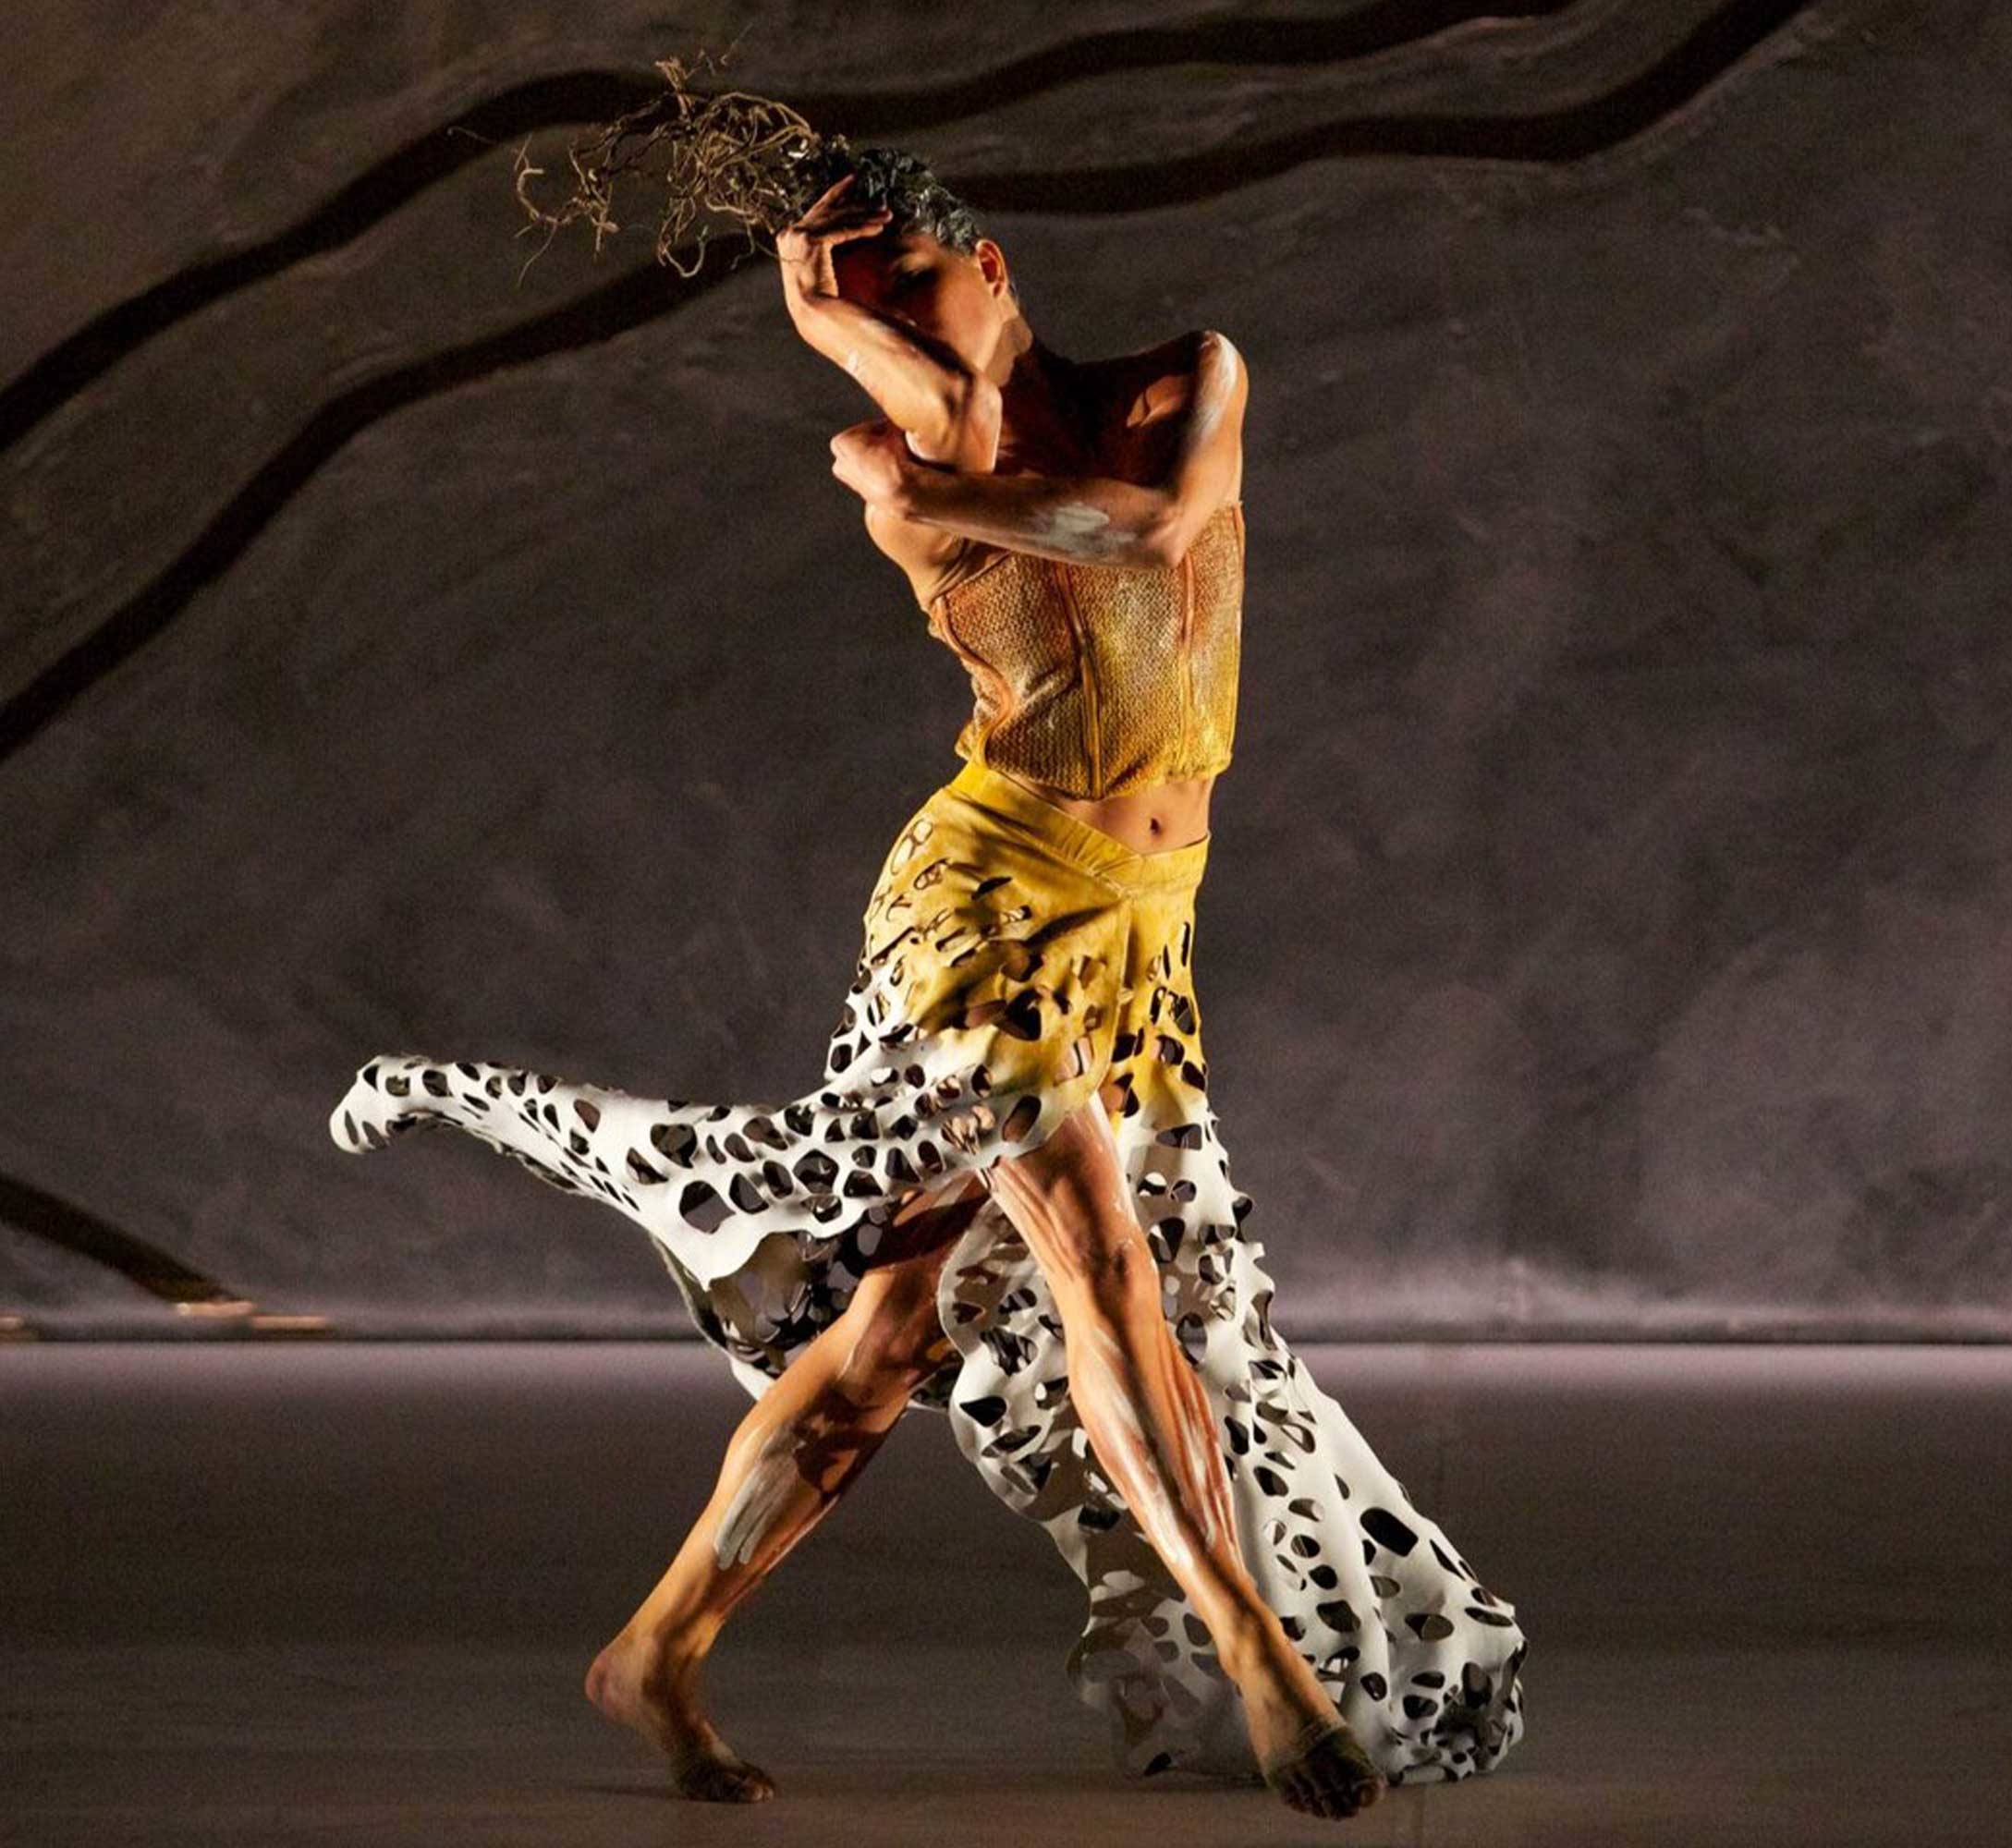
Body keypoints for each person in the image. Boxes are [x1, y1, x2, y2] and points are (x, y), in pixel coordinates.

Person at [331, 116, 1527, 1823]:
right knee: (1102, 1257)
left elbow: (1154, 532)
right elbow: (950, 442)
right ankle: (1269, 1669)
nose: (867, 309)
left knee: (896, 1327)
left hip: (1143, 929)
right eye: (833, 292)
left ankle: (654, 1651)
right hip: (980, 903)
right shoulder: (891, 454)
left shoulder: (1182, 381)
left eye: (891, 266)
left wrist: (921, 468)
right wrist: (838, 329)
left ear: (989, 263)